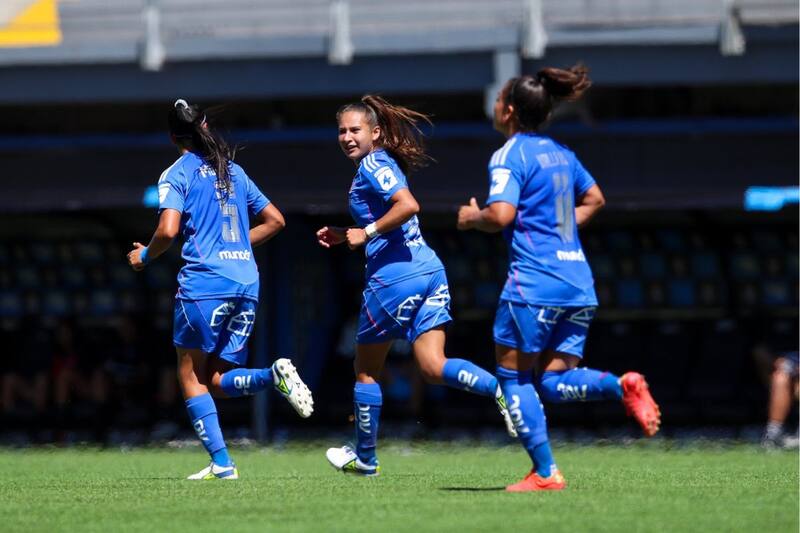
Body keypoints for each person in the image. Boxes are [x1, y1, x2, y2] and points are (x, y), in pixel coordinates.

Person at [457, 65, 661, 492]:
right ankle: (621, 386)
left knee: (514, 377)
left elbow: (501, 214)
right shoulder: (562, 154)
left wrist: (473, 218)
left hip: (533, 284)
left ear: (509, 111)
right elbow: (595, 198)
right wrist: (559, 227)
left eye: (498, 99)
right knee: (550, 382)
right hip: (578, 283)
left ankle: (546, 472)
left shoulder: (510, 154)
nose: (495, 106)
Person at [318, 95, 516, 476]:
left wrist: (366, 232)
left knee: (365, 369)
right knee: (432, 365)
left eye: (355, 130)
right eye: (341, 131)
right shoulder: (382, 162)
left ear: (375, 133)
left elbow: (408, 205)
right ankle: (500, 390)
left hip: (394, 277)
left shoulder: (372, 163)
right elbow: (391, 216)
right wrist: (348, 233)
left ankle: (366, 458)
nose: (347, 137)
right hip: (428, 270)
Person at [127, 99, 313, 480]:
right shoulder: (234, 171)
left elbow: (168, 230)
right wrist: (238, 245)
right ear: (206, 126)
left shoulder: (176, 173)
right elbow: (276, 221)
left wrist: (144, 255)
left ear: (172, 137)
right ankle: (273, 375)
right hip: (246, 282)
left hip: (205, 283)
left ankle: (223, 463)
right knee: (216, 381)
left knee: (190, 374)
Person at [754, 346, 799, 449]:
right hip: (781, 373)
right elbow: (759, 350)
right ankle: (773, 435)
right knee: (780, 379)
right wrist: (784, 364)